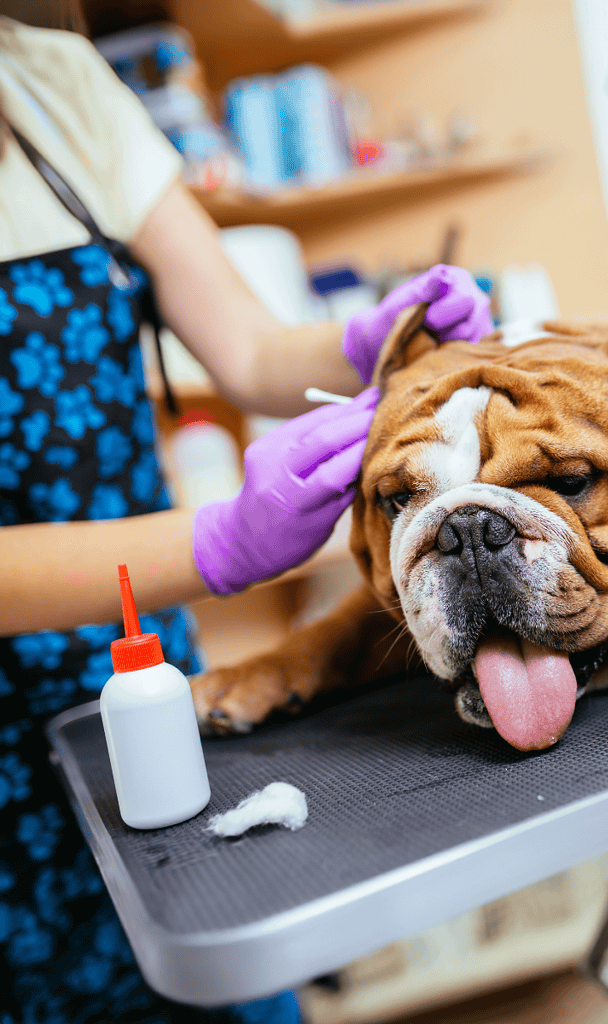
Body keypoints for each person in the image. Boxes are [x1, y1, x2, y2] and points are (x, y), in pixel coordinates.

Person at [0, 11, 491, 1024]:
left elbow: (249, 351)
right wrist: (216, 543)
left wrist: (374, 338)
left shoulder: (48, 80)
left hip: (133, 673)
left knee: (226, 962)